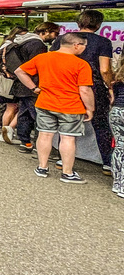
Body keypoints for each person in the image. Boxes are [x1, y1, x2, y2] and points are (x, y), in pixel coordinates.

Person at [14, 32, 94, 183]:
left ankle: (42, 167)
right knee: (68, 138)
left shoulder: (43, 57)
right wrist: (90, 108)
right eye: (84, 46)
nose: (85, 48)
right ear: (76, 45)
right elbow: (84, 90)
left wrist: (33, 88)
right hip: (71, 106)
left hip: (45, 103)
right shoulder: (81, 64)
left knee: (45, 135)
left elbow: (19, 71)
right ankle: (67, 173)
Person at [51, 10, 114, 173]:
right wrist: (111, 87)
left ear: (79, 23)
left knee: (67, 123)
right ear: (98, 24)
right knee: (101, 125)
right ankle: (107, 163)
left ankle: (63, 159)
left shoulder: (63, 39)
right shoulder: (103, 42)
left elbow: (53, 61)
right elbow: (104, 69)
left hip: (65, 85)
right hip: (93, 86)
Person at [6, 22, 60, 151]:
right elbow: (38, 65)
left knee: (25, 112)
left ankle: (25, 142)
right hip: (32, 83)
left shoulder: (24, 40)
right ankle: (40, 144)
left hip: (21, 83)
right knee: (38, 115)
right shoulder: (37, 45)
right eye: (55, 33)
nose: (56, 36)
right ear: (46, 31)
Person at [109, 56, 124, 198]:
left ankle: (117, 183)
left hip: (116, 112)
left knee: (119, 147)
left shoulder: (117, 81)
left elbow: (113, 100)